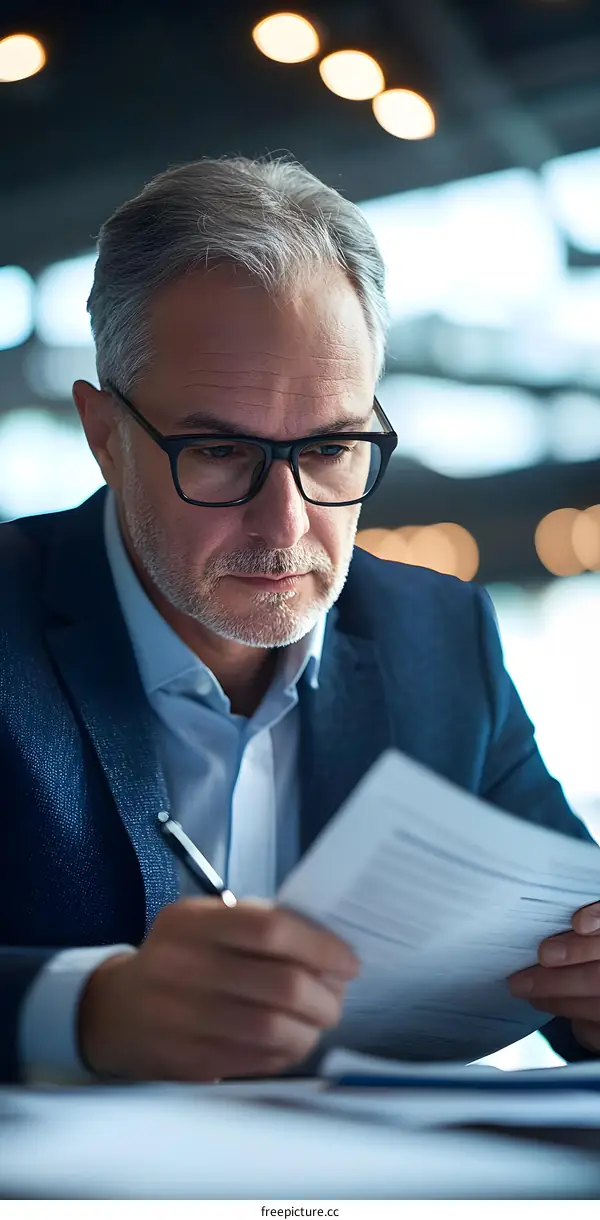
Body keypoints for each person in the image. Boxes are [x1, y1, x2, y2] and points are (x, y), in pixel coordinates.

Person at [1, 156, 600, 1088]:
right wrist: (85, 1009)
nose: (285, 525)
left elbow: (569, 951)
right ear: (105, 435)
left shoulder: (440, 639)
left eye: (329, 448)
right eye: (219, 450)